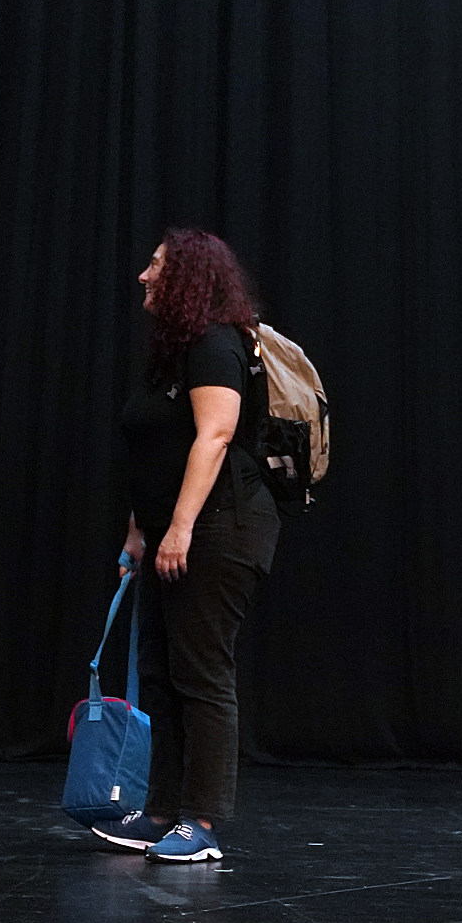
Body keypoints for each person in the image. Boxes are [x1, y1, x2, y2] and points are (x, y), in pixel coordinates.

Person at [90, 228, 282, 865]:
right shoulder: (171, 355)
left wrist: (180, 529)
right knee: (161, 672)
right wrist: (139, 531)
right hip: (174, 531)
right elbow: (154, 451)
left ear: (188, 281)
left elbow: (216, 435)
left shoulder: (215, 345)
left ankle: (202, 822)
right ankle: (163, 811)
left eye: (155, 267)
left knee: (201, 672)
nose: (143, 277)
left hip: (222, 528)